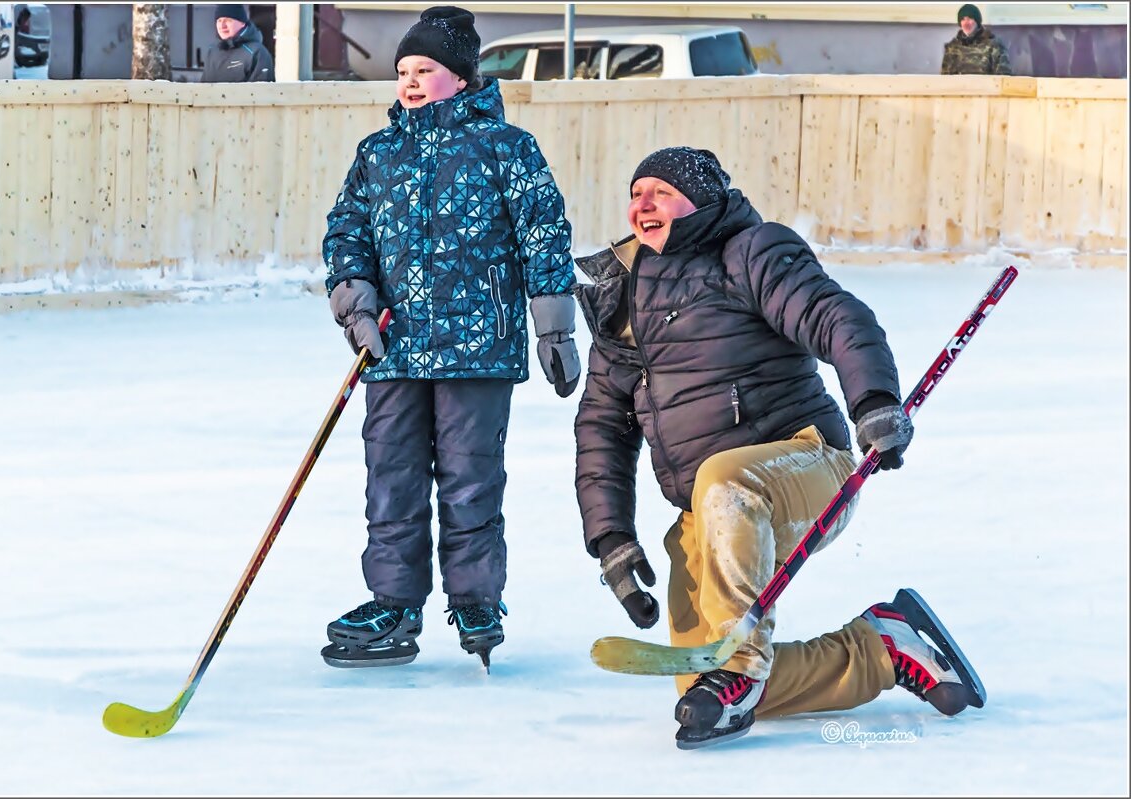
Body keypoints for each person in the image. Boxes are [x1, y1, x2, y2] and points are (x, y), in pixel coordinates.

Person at [573, 146, 986, 748]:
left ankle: (740, 670)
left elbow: (833, 315)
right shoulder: (625, 299)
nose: (643, 204)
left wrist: (872, 400)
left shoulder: (750, 252)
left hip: (806, 463)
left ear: (702, 199)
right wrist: (611, 538)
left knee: (725, 485)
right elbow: (602, 427)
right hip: (712, 509)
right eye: (636, 193)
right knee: (698, 684)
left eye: (660, 191)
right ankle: (883, 647)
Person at [319, 6, 580, 671]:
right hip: (393, 348)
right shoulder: (378, 153)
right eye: (403, 70)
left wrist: (553, 328)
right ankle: (394, 602)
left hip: (478, 348)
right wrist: (356, 306)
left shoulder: (505, 147)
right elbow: (347, 234)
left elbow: (543, 234)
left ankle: (475, 599)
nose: (408, 82)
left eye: (424, 70)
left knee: (470, 478)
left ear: (461, 78)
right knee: (392, 478)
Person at [200, 4, 274, 83]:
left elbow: (261, 91)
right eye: (219, 21)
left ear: (242, 23)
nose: (222, 26)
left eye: (228, 20)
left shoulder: (257, 52)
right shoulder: (212, 51)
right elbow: (203, 88)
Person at [941, 3, 1012, 75]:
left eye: (969, 19)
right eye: (963, 19)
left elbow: (1004, 79)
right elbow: (944, 80)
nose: (966, 23)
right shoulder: (952, 48)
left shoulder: (994, 45)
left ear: (977, 21)